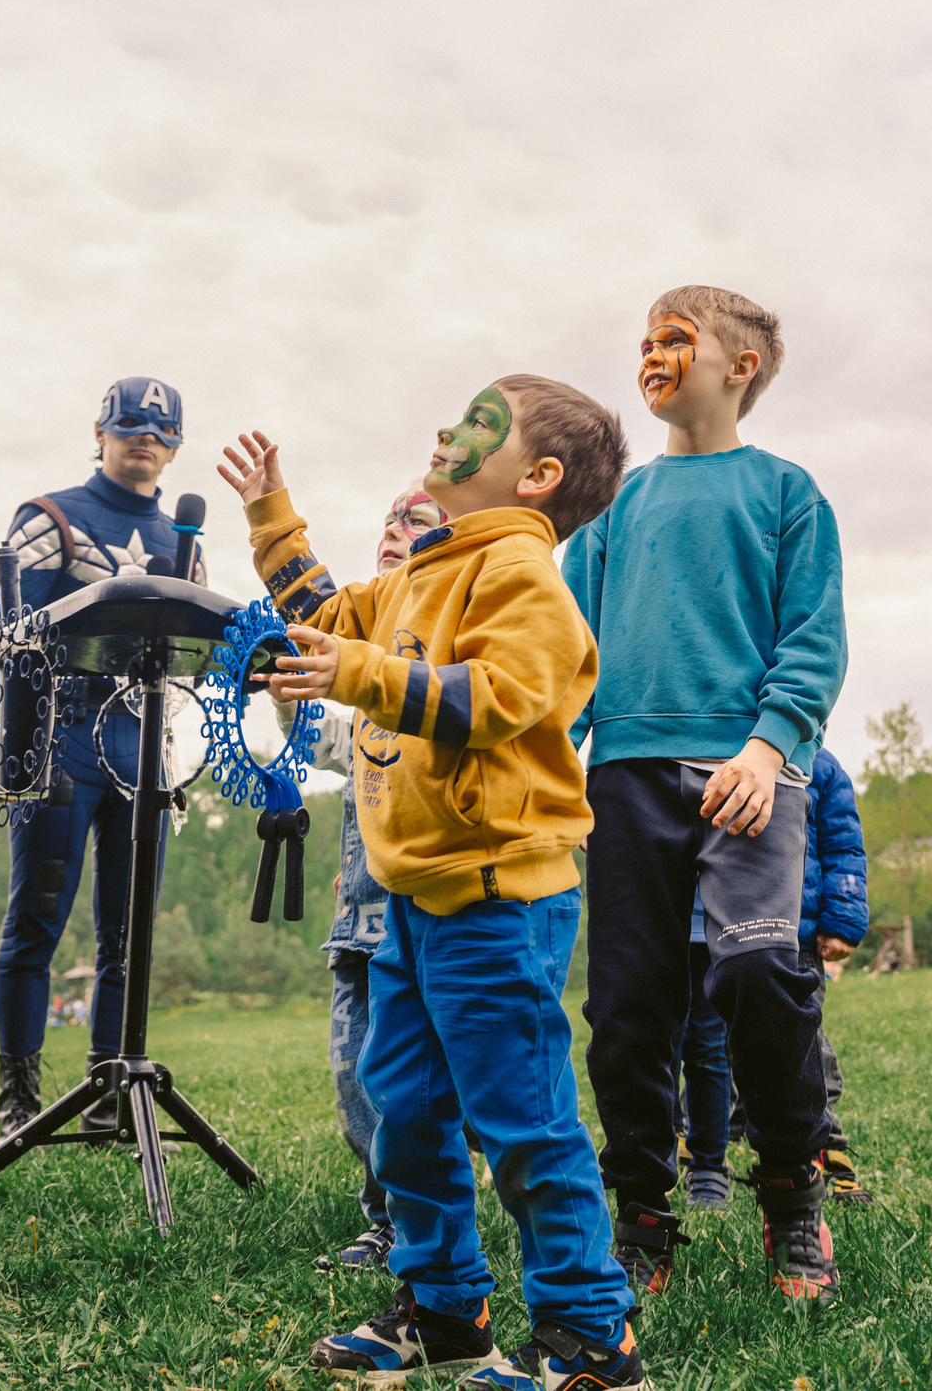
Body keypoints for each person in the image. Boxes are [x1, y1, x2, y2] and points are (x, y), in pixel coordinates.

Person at [219, 376, 642, 1391]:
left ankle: (592, 1339)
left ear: (536, 477)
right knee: (403, 1110)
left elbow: (495, 699)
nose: (448, 430)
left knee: (523, 1122)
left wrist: (358, 675)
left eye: (477, 424)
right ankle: (443, 1308)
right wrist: (270, 512)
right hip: (411, 898)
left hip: (500, 899)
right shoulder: (420, 573)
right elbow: (326, 615)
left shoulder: (521, 577)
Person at [562, 285, 848, 1302]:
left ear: (740, 368)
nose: (651, 354)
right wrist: (554, 765)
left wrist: (769, 750)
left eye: (675, 341)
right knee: (628, 1009)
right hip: (624, 779)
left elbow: (813, 641)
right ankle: (639, 1215)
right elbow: (569, 657)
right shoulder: (611, 511)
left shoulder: (784, 493)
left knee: (758, 974)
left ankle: (791, 1198)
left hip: (746, 778)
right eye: (642, 340)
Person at [0, 377, 203, 1136]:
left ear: (175, 444)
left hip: (145, 744)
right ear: (101, 431)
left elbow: (195, 653)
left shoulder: (185, 540)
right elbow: (4, 636)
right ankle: (20, 1098)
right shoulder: (50, 517)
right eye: (129, 424)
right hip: (62, 739)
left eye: (159, 429)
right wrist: (7, 748)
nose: (144, 436)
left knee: (128, 931)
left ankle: (110, 1086)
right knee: (37, 918)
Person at [317, 481, 444, 1275]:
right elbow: (327, 735)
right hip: (354, 920)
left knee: (411, 1080)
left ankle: (420, 1214)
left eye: (417, 520)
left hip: (417, 914)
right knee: (355, 1077)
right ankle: (384, 1211)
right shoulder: (365, 683)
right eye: (388, 521)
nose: (394, 530)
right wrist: (286, 680)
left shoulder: (435, 664)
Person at [675, 747, 871, 1213]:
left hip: (795, 934)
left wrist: (841, 920)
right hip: (723, 927)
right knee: (714, 1040)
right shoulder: (713, 751)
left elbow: (845, 846)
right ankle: (724, 1126)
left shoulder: (819, 766)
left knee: (797, 1043)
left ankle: (827, 1152)